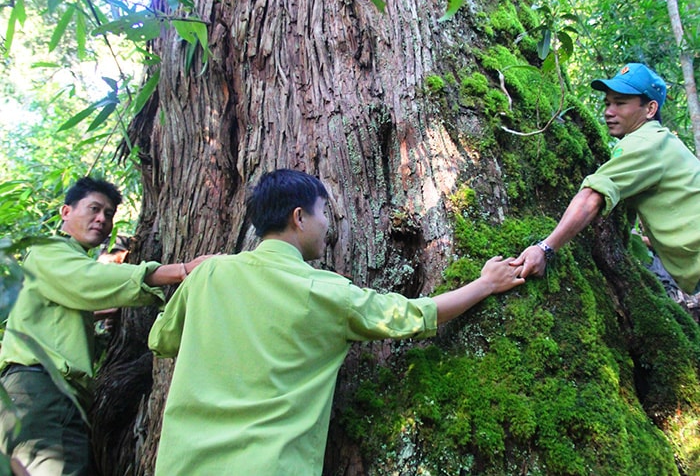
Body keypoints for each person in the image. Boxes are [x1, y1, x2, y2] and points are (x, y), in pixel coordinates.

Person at [148, 168, 525, 475]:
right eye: (323, 212)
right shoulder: (323, 292)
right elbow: (414, 315)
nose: (328, 225)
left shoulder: (209, 273)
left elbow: (161, 339)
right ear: (299, 217)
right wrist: (485, 284)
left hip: (181, 464)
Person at [0, 177, 214, 476]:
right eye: (94, 209)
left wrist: (98, 315)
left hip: (44, 394)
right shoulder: (49, 250)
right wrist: (180, 271)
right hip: (42, 389)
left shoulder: (55, 263)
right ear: (65, 212)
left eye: (109, 214)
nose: (102, 219)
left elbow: (50, 312)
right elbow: (86, 280)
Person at [512, 63, 700, 296]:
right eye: (608, 103)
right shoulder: (661, 143)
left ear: (650, 109)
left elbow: (592, 196)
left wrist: (545, 248)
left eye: (620, 103)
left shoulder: (645, 143)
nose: (609, 112)